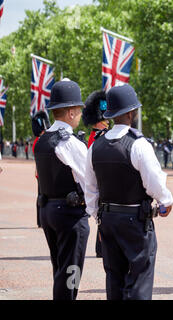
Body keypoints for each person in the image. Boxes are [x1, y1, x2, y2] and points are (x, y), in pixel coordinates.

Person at [84, 84, 173, 300]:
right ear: (132, 113)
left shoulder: (95, 147)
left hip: (107, 220)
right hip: (135, 220)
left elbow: (90, 188)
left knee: (114, 279)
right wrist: (166, 201)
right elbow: (154, 183)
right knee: (140, 279)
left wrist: (99, 214)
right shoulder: (138, 144)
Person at [33, 79, 89, 300]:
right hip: (70, 214)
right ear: (71, 112)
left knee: (60, 269)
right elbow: (90, 180)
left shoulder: (42, 140)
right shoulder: (70, 143)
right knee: (71, 273)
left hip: (48, 210)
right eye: (79, 109)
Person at [82, 90, 109, 258]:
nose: (107, 121)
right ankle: (102, 247)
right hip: (100, 178)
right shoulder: (96, 137)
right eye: (104, 118)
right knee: (102, 214)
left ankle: (101, 247)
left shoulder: (99, 135)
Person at [31, 110, 51, 228]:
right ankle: (41, 220)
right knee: (42, 196)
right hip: (42, 172)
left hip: (41, 171)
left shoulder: (38, 141)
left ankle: (41, 220)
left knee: (42, 196)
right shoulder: (39, 142)